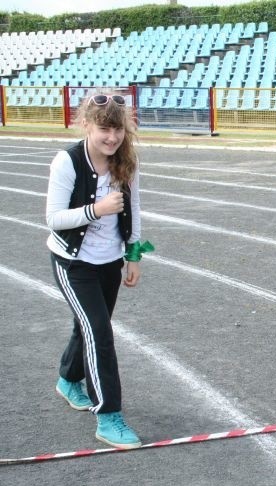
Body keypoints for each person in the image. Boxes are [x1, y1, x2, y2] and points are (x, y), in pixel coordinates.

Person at [46, 93, 153, 449]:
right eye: (105, 129)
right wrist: (96, 209)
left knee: (89, 327)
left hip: (109, 261)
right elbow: (54, 218)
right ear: (88, 125)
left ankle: (68, 378)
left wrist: (133, 254)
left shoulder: (127, 162)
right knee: (100, 334)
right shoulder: (68, 161)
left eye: (118, 130)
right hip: (73, 261)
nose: (112, 138)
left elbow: (134, 209)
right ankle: (109, 416)